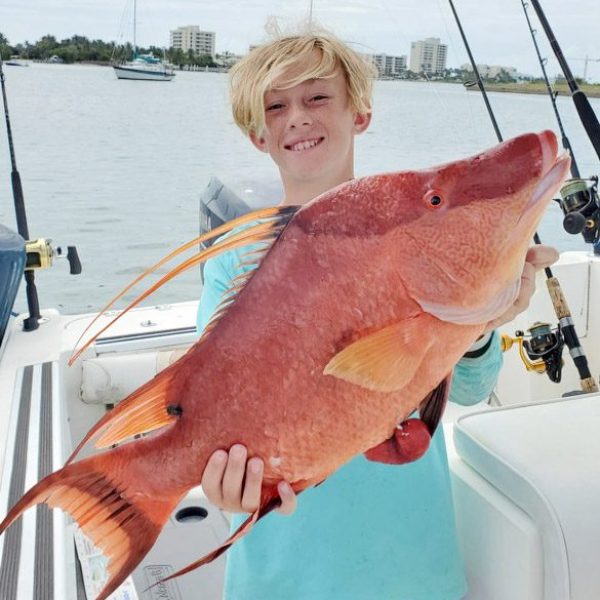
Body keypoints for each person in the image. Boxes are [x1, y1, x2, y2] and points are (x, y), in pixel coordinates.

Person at [196, 30, 558, 600]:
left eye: (318, 98)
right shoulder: (236, 263)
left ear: (359, 113)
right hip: (281, 579)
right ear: (256, 133)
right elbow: (218, 404)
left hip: (418, 572)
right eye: (276, 105)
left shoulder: (413, 234)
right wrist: (225, 480)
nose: (298, 117)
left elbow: (471, 388)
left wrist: (483, 322)